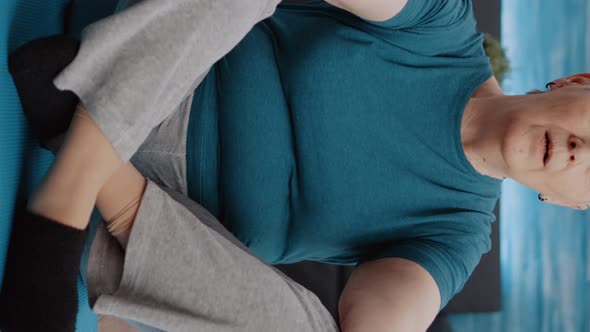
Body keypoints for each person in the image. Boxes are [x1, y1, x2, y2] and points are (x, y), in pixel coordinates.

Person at [1, 0, 589, 331]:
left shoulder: (454, 240)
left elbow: (377, 318)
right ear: (576, 83)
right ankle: (73, 183)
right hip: (152, 52)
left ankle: (84, 138)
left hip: (147, 214)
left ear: (569, 205)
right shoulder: (441, 27)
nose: (578, 153)